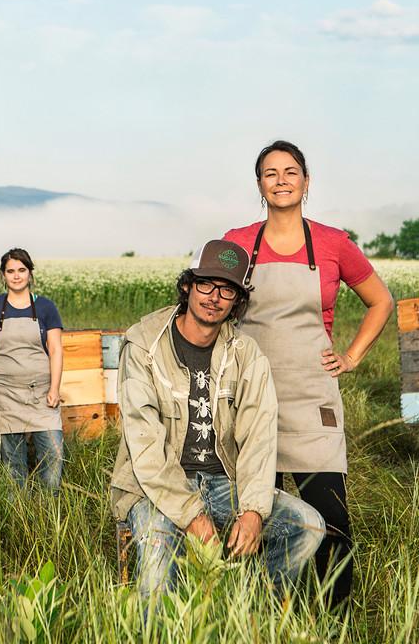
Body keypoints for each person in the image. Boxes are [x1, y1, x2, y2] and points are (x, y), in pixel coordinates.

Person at [223, 140, 393, 609]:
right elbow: (211, 304)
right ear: (259, 185)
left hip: (312, 402)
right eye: (271, 173)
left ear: (307, 181)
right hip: (252, 402)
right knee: (259, 520)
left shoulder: (334, 243)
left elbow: (381, 301)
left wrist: (353, 356)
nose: (281, 180)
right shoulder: (237, 243)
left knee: (333, 524)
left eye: (290, 171)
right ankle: (260, 617)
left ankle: (333, 621)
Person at [109, 240, 325, 600]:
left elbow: (259, 437)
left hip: (223, 483)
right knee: (159, 560)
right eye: (206, 284)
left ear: (237, 301)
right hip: (155, 488)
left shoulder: (246, 355)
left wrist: (254, 510)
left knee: (308, 526)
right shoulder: (143, 345)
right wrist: (192, 515)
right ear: (187, 286)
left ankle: (251, 614)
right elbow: (145, 447)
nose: (214, 297)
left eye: (227, 289)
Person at [0, 248, 66, 490]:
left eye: (21, 270)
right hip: (5, 393)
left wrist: (54, 388)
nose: (16, 276)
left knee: (54, 454)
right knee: (13, 461)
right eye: (11, 271)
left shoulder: (46, 308)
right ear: (3, 275)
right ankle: (17, 511)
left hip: (41, 393)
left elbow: (56, 349)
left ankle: (50, 509)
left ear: (30, 273)